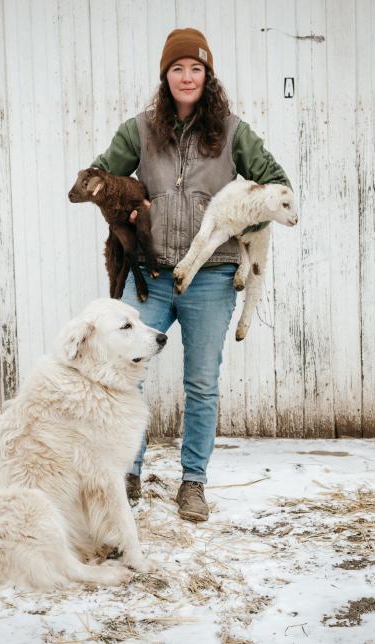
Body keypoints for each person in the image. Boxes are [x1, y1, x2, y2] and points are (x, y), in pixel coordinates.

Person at [90, 28, 292, 522]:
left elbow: (278, 186)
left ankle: (193, 483)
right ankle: (127, 473)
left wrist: (248, 218)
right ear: (166, 75)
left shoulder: (233, 132)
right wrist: (126, 208)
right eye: (177, 68)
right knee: (124, 375)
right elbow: (98, 177)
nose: (186, 77)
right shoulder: (139, 130)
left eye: (196, 69)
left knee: (201, 383)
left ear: (208, 76)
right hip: (152, 276)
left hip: (212, 277)